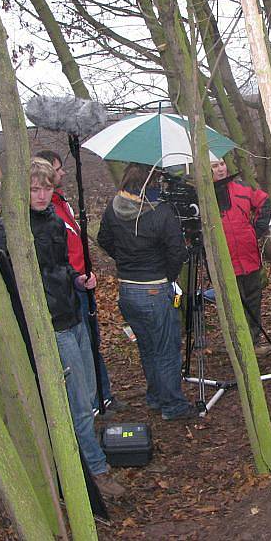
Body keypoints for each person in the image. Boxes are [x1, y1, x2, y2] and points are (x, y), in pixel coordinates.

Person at [0, 158, 124, 497]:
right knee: (78, 402)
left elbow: (60, 267)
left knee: (91, 393)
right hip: (50, 327)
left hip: (72, 315)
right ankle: (96, 471)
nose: (41, 195)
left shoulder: (52, 220)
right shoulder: (7, 228)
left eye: (46, 188)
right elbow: (0, 274)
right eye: (34, 189)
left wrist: (79, 281)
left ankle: (84, 453)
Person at [97, 163, 195, 421]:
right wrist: (166, 274)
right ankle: (173, 405)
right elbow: (177, 252)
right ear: (152, 184)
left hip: (127, 290)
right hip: (154, 288)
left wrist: (126, 260)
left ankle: (155, 397)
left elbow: (103, 239)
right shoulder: (161, 212)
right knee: (166, 349)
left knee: (148, 348)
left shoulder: (113, 208)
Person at [35, 149, 122, 413]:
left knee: (91, 343)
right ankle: (93, 402)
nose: (62, 173)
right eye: (58, 169)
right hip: (65, 294)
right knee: (80, 351)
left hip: (78, 283)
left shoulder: (60, 204)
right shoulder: (47, 211)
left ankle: (100, 396)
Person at [210, 158, 271, 352]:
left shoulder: (241, 188)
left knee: (253, 300)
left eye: (221, 164)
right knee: (233, 304)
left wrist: (256, 231)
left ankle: (253, 342)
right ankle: (238, 343)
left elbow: (264, 201)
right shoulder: (204, 197)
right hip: (225, 261)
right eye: (214, 166)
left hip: (249, 257)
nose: (220, 169)